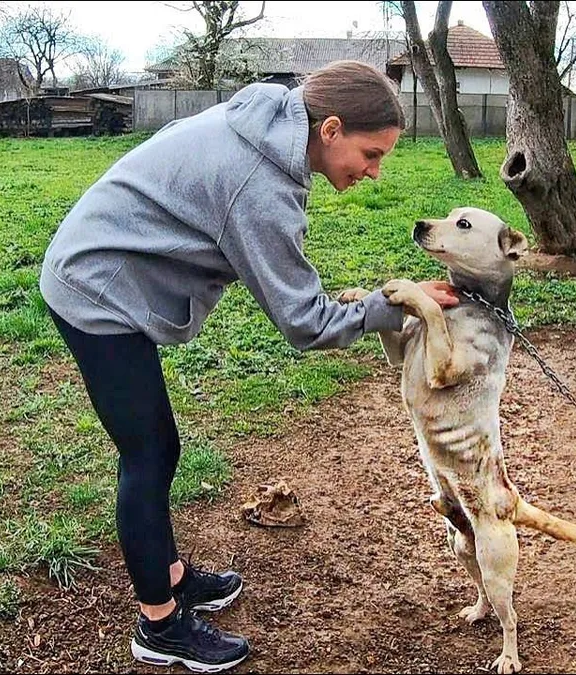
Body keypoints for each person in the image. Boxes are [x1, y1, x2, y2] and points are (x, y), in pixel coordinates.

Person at [38, 60, 458, 672]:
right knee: (148, 454)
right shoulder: (259, 186)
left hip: (101, 265)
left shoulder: (262, 120)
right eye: (371, 154)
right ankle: (158, 625)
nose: (373, 172)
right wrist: (396, 306)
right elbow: (305, 323)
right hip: (96, 291)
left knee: (159, 446)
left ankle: (171, 574)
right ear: (332, 128)